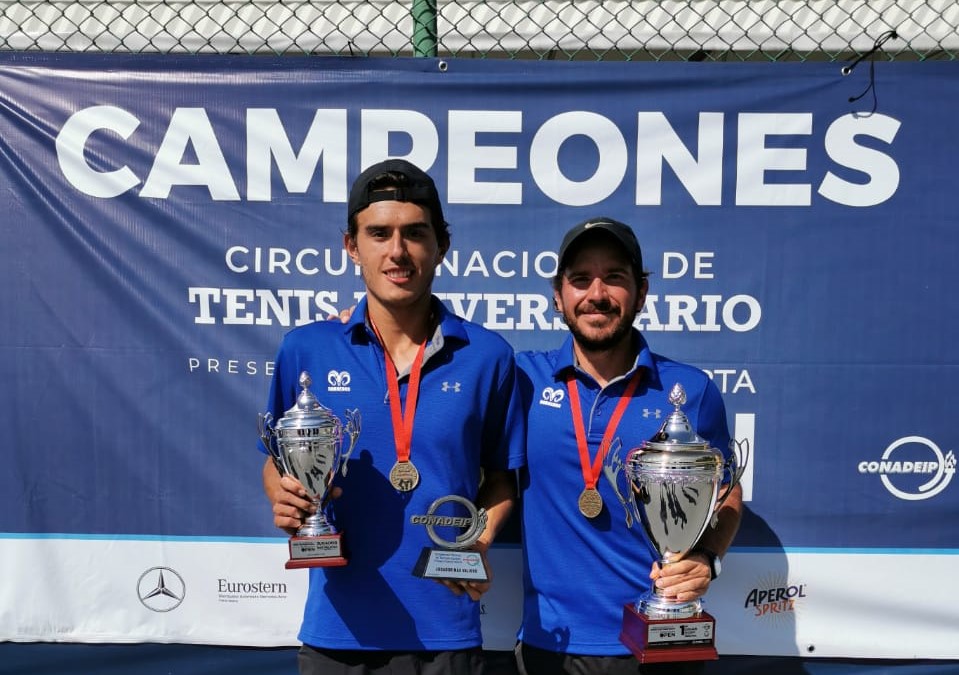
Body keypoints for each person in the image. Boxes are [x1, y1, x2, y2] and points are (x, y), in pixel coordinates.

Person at [260, 159, 525, 675]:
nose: (397, 251)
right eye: (379, 233)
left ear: (441, 245)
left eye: (415, 233)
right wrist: (282, 494)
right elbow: (274, 462)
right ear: (352, 246)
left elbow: (502, 479)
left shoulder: (488, 356)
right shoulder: (305, 350)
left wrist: (479, 540)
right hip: (338, 632)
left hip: (446, 630)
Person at [514, 217, 743, 675]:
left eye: (614, 278)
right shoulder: (519, 380)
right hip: (551, 646)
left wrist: (706, 558)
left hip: (660, 646)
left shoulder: (690, 391)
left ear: (641, 292)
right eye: (580, 279)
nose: (596, 294)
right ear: (558, 296)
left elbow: (727, 493)